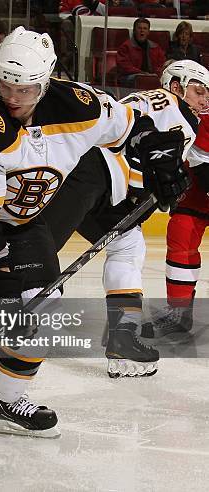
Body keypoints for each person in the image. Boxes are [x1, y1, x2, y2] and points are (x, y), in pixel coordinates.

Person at [0, 26, 185, 437]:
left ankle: (5, 399)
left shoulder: (78, 104)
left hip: (19, 224)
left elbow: (131, 125)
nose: (11, 96)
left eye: (24, 89)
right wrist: (2, 282)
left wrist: (158, 153)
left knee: (39, 312)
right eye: (3, 84)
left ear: (45, 84)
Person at [39, 59, 208, 377]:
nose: (204, 100)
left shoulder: (156, 103)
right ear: (175, 86)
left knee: (129, 245)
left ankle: (123, 338)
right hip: (89, 176)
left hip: (103, 186)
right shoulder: (178, 111)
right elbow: (151, 152)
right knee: (38, 250)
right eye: (198, 91)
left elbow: (142, 152)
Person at [142, 86, 209, 340]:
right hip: (196, 191)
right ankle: (179, 313)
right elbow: (199, 160)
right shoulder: (181, 112)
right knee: (181, 237)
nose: (204, 99)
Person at [117, 17, 166, 88]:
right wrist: (142, 73)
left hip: (151, 76)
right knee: (142, 79)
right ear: (134, 30)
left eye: (145, 28)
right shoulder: (126, 46)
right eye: (139, 28)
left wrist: (155, 74)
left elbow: (162, 64)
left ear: (148, 32)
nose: (142, 31)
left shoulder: (155, 47)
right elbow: (124, 66)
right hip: (131, 76)